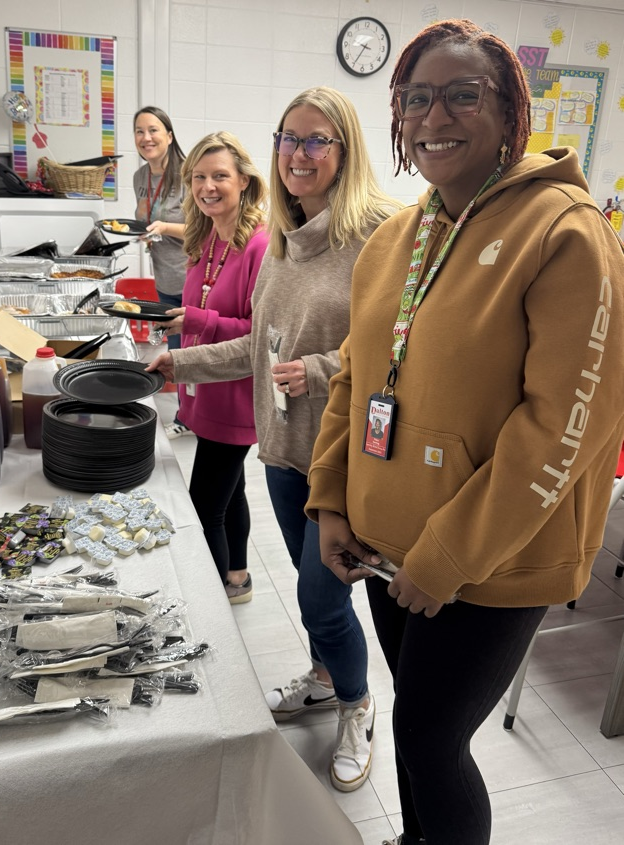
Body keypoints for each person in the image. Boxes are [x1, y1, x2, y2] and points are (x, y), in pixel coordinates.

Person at [306, 20, 624, 845]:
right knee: (418, 729)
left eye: (461, 94)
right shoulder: (396, 240)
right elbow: (355, 377)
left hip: (488, 566)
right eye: (416, 98)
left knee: (430, 740)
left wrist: (448, 555)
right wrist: (332, 504)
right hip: (385, 550)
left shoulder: (566, 234)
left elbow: (565, 428)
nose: (434, 114)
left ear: (510, 110)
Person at [148, 87, 400, 792]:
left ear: (345, 150)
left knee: (324, 599)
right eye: (289, 138)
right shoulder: (286, 242)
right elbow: (259, 348)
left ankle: (357, 704)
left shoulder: (378, 235)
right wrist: (179, 362)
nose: (299, 153)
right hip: (285, 454)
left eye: (317, 140)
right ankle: (326, 678)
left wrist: (321, 369)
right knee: (308, 585)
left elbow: (406, 349)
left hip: (345, 462)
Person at [154, 131, 269, 604]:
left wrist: (198, 320)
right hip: (203, 386)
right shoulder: (205, 237)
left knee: (205, 505)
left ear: (244, 180)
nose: (208, 187)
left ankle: (211, 603)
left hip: (235, 395)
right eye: (199, 177)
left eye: (220, 176)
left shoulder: (261, 246)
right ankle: (237, 577)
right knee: (231, 490)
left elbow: (258, 332)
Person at [133, 106, 191, 438]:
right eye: (139, 131)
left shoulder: (189, 174)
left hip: (193, 276)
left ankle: (189, 417)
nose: (146, 138)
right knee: (175, 346)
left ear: (169, 135)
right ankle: (188, 412)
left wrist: (165, 226)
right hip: (164, 275)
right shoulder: (140, 177)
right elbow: (142, 218)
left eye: (153, 130)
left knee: (190, 350)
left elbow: (205, 228)